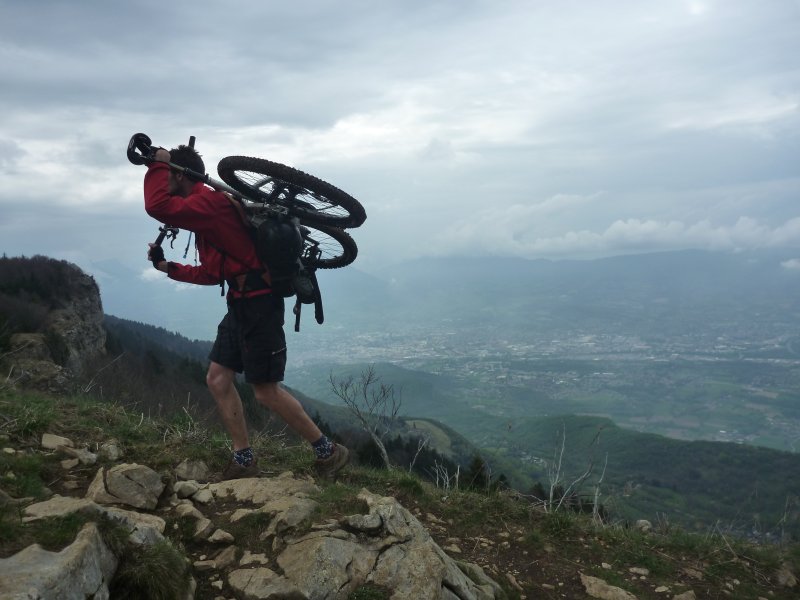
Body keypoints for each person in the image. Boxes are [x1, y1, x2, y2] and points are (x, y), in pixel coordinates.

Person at [142, 143, 349, 481]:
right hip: (241, 303)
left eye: (168, 175)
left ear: (179, 174)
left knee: (266, 391)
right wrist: (168, 267)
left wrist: (156, 164)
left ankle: (329, 451)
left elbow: (158, 206)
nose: (164, 180)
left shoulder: (207, 202)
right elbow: (213, 273)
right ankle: (244, 459)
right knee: (217, 378)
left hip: (260, 304)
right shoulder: (205, 214)